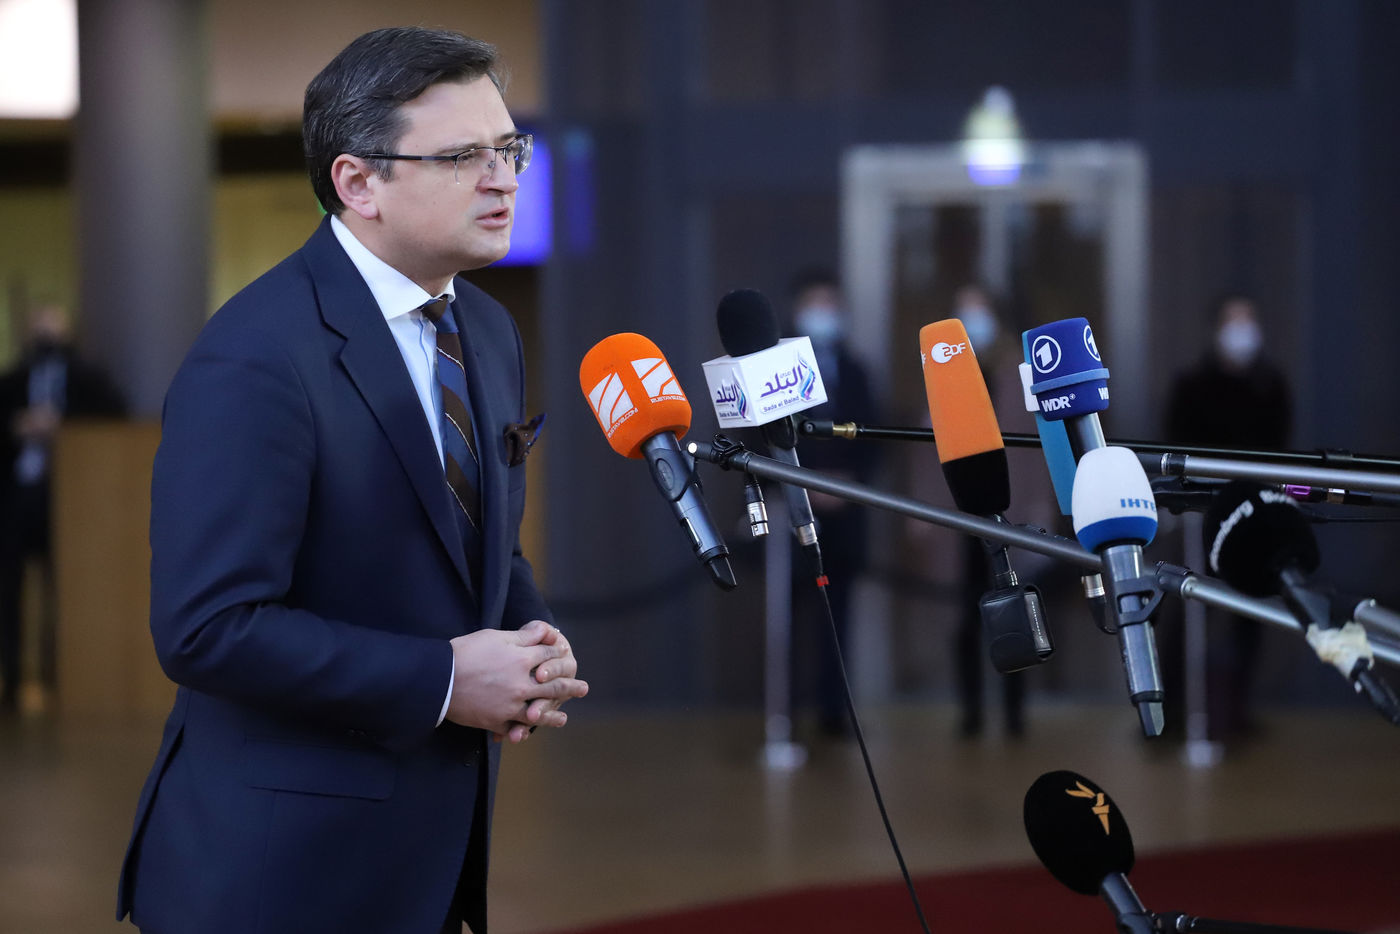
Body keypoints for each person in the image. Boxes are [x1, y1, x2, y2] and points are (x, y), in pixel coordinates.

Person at [116, 28, 587, 934]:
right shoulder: (255, 354)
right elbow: (208, 627)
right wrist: (445, 679)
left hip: (425, 855)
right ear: (358, 182)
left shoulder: (487, 328)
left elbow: (470, 539)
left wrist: (531, 638)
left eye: (508, 148)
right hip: (279, 870)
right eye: (462, 156)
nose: (503, 180)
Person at [1164, 293, 1291, 741]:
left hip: (1254, 514)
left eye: (1248, 320)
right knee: (1189, 610)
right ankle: (1172, 713)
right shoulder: (1192, 385)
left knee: (1249, 616)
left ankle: (1236, 712)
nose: (1241, 331)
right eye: (1232, 321)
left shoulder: (1270, 386)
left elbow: (1279, 453)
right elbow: (1177, 447)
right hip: (1202, 517)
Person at [0, 302, 125, 711]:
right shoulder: (12, 382)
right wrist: (18, 425)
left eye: (53, 329)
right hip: (17, 498)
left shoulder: (87, 380)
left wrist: (62, 425)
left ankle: (61, 678)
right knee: (9, 591)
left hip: (70, 501)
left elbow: (114, 413)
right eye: (40, 328)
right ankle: (13, 678)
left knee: (66, 592)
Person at [787, 269, 879, 738]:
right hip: (793, 516)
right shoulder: (777, 373)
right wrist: (806, 485)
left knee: (837, 619)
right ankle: (784, 712)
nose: (823, 313)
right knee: (788, 618)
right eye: (814, 303)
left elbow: (874, 438)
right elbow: (764, 440)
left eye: (830, 303)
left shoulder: (856, 370)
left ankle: (832, 711)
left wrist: (846, 483)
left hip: (845, 519)